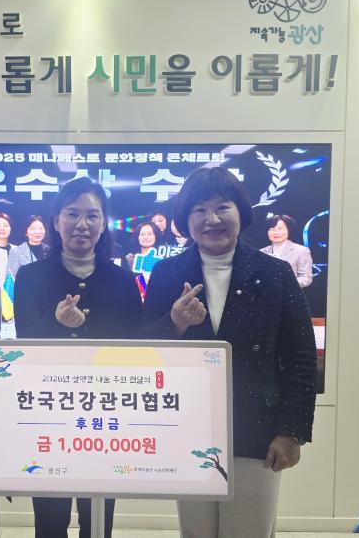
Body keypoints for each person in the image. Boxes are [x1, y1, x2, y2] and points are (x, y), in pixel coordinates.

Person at [140, 167, 317, 538]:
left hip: (257, 429)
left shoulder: (276, 273)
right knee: (197, 532)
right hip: (188, 426)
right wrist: (175, 323)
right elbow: (145, 351)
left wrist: (291, 431)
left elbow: (301, 357)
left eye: (223, 207)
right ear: (185, 220)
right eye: (199, 210)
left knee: (248, 532)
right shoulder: (167, 272)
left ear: (241, 212)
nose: (212, 219)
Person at [14, 177, 143, 538]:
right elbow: (24, 344)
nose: (82, 224)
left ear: (104, 223)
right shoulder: (29, 276)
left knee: (98, 517)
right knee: (50, 519)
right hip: (48, 413)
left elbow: (136, 347)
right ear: (56, 221)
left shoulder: (124, 280)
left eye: (92, 215)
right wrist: (55, 322)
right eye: (72, 214)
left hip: (106, 414)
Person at [260, 214, 314, 288]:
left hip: (290, 293)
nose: (276, 232)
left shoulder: (302, 251)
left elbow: (306, 278)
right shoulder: (261, 252)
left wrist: (285, 285)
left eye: (280, 228)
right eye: (272, 229)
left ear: (288, 230)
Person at [7, 215, 49, 279]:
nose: (37, 232)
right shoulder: (16, 252)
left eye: (40, 228)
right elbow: (12, 277)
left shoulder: (50, 250)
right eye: (33, 228)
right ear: (26, 232)